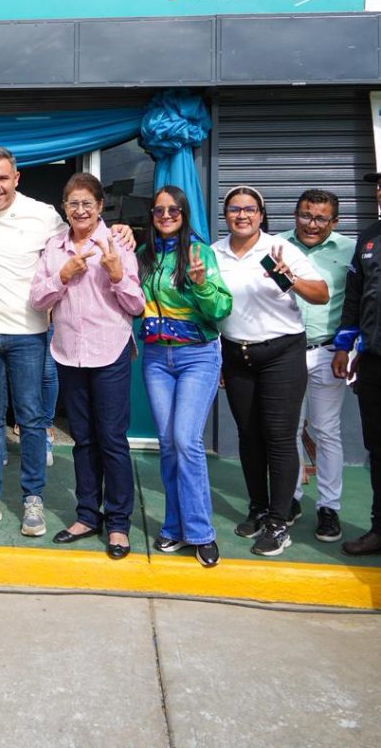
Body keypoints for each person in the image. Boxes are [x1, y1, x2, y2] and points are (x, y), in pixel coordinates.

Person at [0, 150, 134, 538]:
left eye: (2, 178)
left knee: (32, 419)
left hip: (29, 333)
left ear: (16, 178)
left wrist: (120, 229)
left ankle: (33, 499)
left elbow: (85, 227)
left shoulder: (44, 216)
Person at [30, 172, 144, 558]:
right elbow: (37, 299)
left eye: (87, 204)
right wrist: (62, 276)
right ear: (64, 208)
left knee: (111, 439)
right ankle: (86, 515)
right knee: (83, 439)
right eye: (73, 203)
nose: (80, 210)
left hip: (109, 351)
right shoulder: (54, 247)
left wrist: (116, 274)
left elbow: (136, 305)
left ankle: (118, 524)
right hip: (68, 353)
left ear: (100, 207)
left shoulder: (117, 243)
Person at [213, 185, 328, 557]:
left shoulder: (279, 249)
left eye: (250, 209)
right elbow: (211, 306)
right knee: (249, 436)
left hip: (282, 353)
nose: (242, 215)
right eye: (235, 209)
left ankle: (279, 522)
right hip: (237, 353)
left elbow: (321, 294)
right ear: (226, 215)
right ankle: (259, 509)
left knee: (278, 437)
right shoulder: (215, 253)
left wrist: (290, 277)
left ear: (261, 215)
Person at [137, 186, 232, 567]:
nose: (165, 216)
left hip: (197, 355)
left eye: (173, 210)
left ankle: (201, 532)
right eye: (159, 210)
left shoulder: (199, 252)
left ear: (184, 213)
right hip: (156, 357)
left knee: (185, 440)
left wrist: (201, 284)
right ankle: (174, 526)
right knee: (167, 443)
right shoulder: (144, 255)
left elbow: (221, 307)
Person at [279, 189, 354, 542]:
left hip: (328, 351)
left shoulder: (350, 250)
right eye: (305, 215)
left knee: (326, 430)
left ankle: (329, 507)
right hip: (285, 351)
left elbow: (356, 302)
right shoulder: (275, 246)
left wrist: (347, 347)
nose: (311, 224)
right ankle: (291, 498)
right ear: (295, 214)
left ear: (334, 222)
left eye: (321, 218)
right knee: (288, 429)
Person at [332, 171, 381, 555]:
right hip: (374, 361)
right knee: (377, 448)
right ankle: (380, 528)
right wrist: (344, 346)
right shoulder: (368, 238)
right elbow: (354, 297)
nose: (380, 192)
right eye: (380, 186)